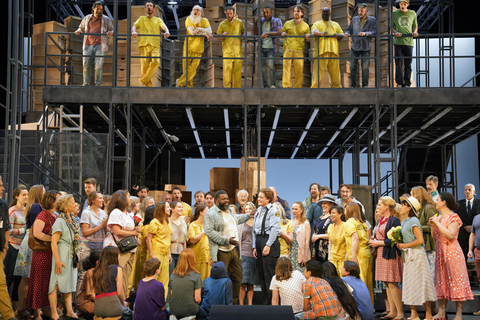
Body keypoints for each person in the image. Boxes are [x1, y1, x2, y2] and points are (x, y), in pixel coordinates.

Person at [430, 192, 473, 320]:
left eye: (437, 200)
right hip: (440, 251)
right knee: (441, 281)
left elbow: (451, 235)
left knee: (456, 281)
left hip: (451, 252)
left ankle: (458, 315)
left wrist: (437, 224)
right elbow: (435, 238)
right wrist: (434, 226)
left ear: (444, 202)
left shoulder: (454, 217)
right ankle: (441, 312)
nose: (435, 202)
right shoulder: (439, 218)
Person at [204, 190, 250, 305]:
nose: (227, 201)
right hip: (221, 250)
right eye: (223, 199)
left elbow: (236, 219)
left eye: (227, 198)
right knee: (220, 280)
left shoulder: (229, 210)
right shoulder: (211, 213)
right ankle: (219, 304)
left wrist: (249, 215)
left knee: (238, 277)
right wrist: (227, 240)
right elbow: (209, 232)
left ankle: (232, 304)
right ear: (216, 201)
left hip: (234, 249)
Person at [397, 196, 436, 320]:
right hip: (409, 255)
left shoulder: (414, 220)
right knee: (410, 283)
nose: (401, 207)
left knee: (422, 283)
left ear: (409, 208)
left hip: (417, 255)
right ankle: (414, 314)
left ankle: (429, 314)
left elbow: (419, 240)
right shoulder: (405, 221)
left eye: (403, 205)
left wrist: (404, 245)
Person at [369, 196, 403, 320]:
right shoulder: (380, 220)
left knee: (393, 283)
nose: (378, 207)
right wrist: (374, 240)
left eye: (379, 205)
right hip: (381, 255)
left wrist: (379, 243)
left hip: (390, 254)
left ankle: (400, 313)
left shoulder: (394, 220)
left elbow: (395, 239)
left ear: (386, 207)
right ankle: (392, 311)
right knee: (386, 283)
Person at [13, 184, 44, 320]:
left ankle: (24, 308)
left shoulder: (34, 206)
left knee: (28, 278)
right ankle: (21, 308)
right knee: (26, 278)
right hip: (32, 242)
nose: (45, 193)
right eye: (43, 191)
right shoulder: (36, 207)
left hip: (30, 241)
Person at [27, 191, 59, 320]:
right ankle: (37, 313)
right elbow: (37, 233)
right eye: (58, 199)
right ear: (51, 201)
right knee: (39, 281)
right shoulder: (42, 215)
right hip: (41, 253)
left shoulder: (55, 215)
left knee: (48, 282)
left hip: (50, 253)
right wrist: (53, 239)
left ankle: (47, 310)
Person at [47, 194, 80, 320]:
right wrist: (57, 260)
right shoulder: (60, 221)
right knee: (55, 283)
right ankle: (54, 313)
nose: (75, 204)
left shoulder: (71, 219)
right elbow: (54, 242)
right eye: (73, 203)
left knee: (69, 282)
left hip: (70, 253)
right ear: (66, 207)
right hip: (61, 253)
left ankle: (70, 311)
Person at [103, 190, 141, 297]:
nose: (131, 199)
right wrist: (133, 232)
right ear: (122, 199)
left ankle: (123, 300)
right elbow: (117, 231)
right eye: (128, 197)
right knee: (118, 274)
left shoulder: (128, 214)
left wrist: (136, 229)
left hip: (130, 248)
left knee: (126, 276)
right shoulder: (116, 212)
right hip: (120, 248)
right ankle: (115, 301)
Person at [252, 188, 281, 305]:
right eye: (258, 197)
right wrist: (254, 246)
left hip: (269, 241)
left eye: (261, 197)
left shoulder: (273, 211)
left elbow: (275, 229)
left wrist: (268, 245)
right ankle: (265, 303)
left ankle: (272, 303)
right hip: (259, 241)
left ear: (268, 199)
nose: (259, 199)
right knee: (262, 275)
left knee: (269, 275)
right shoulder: (258, 210)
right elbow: (254, 230)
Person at [74, 1, 113, 86]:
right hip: (88, 45)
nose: (99, 11)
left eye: (101, 9)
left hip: (100, 45)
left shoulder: (106, 19)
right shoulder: (87, 18)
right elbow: (81, 27)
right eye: (97, 9)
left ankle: (97, 84)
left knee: (98, 66)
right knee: (86, 65)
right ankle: (85, 84)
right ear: (93, 8)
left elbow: (112, 29)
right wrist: (78, 31)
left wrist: (110, 32)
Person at [132, 1, 170, 87]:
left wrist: (167, 31)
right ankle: (149, 87)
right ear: (145, 9)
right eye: (147, 6)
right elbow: (134, 25)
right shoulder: (141, 19)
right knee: (144, 69)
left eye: (150, 6)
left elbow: (164, 26)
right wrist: (133, 31)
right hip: (143, 44)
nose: (149, 7)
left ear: (153, 9)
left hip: (154, 45)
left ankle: (143, 81)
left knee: (156, 61)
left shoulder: (158, 20)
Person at [78, 191, 107, 296]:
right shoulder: (86, 212)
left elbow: (104, 231)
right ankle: (78, 302)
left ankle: (95, 299)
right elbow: (85, 232)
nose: (102, 200)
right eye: (100, 198)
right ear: (93, 200)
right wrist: (101, 225)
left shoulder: (103, 213)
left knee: (98, 273)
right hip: (87, 246)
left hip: (99, 247)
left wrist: (105, 226)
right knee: (83, 274)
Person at [176, 5, 212, 87]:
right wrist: (205, 32)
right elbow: (192, 32)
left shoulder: (204, 20)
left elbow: (210, 30)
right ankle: (189, 86)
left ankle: (180, 82)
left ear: (201, 13)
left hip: (198, 49)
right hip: (188, 47)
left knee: (193, 69)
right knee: (186, 69)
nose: (195, 11)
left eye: (198, 10)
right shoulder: (188, 19)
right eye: (194, 9)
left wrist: (199, 29)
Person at [93, 246, 133, 320]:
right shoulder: (117, 268)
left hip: (97, 309)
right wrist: (123, 303)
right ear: (114, 256)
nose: (119, 256)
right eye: (118, 254)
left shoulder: (96, 271)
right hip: (114, 308)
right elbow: (120, 293)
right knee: (131, 314)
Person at [344, 203, 373, 304]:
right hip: (366, 253)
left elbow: (355, 238)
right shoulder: (362, 223)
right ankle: (370, 306)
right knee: (368, 281)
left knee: (361, 282)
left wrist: (353, 256)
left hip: (358, 254)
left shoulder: (349, 222)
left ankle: (362, 307)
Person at [5, 185, 28, 313]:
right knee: (8, 278)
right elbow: (9, 230)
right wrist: (24, 230)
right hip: (12, 246)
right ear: (16, 196)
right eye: (24, 194)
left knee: (19, 280)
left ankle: (17, 309)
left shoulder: (27, 210)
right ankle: (5, 308)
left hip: (23, 248)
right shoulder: (12, 211)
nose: (26, 197)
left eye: (27, 194)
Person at [0, 175, 20, 320]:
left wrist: (5, 247)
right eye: (0, 185)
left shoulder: (4, 204)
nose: (3, 188)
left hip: (0, 250)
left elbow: (7, 227)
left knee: (1, 283)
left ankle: (8, 315)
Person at [344, 3, 377, 88]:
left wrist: (365, 33)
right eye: (359, 10)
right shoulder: (354, 19)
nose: (360, 12)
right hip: (355, 46)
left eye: (362, 11)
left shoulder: (372, 20)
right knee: (352, 66)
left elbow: (374, 32)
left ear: (366, 11)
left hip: (366, 47)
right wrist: (347, 33)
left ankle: (365, 86)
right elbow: (349, 29)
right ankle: (353, 86)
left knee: (365, 68)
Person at [168, 248, 207, 319]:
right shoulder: (196, 276)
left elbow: (172, 294)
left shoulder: (172, 275)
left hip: (173, 310)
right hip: (190, 310)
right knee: (203, 314)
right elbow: (197, 299)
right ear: (192, 260)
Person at [310, 7, 343, 88]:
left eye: (327, 12)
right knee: (317, 72)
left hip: (333, 51)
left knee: (335, 72)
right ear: (321, 13)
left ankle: (337, 89)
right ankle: (314, 89)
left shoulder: (336, 24)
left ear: (329, 13)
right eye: (324, 12)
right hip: (321, 52)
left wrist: (338, 35)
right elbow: (314, 31)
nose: (325, 14)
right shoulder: (317, 23)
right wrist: (321, 33)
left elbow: (342, 34)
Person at [146, 201, 171, 299]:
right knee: (155, 278)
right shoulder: (155, 222)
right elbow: (148, 239)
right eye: (168, 207)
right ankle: (152, 301)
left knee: (165, 280)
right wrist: (151, 255)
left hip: (165, 253)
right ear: (162, 209)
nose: (170, 209)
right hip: (156, 253)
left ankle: (162, 302)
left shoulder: (167, 222)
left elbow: (167, 239)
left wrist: (169, 253)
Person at [281, 6, 310, 88]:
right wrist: (283, 34)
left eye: (298, 11)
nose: (296, 12)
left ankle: (298, 87)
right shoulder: (287, 23)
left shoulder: (306, 26)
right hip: (288, 48)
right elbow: (283, 32)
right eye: (294, 11)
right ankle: (286, 86)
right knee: (286, 68)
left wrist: (308, 37)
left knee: (299, 70)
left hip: (299, 50)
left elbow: (308, 40)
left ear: (302, 13)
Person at [128, 204, 155, 292]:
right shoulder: (148, 227)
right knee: (142, 276)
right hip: (144, 255)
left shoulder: (146, 226)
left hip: (141, 255)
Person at [392, 0, 418, 88]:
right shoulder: (395, 13)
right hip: (398, 42)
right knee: (398, 63)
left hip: (408, 42)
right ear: (399, 4)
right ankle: (399, 83)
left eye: (404, 4)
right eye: (401, 4)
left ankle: (407, 83)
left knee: (408, 63)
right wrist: (395, 32)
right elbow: (392, 27)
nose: (402, 6)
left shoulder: (412, 13)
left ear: (407, 4)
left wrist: (415, 32)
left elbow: (415, 25)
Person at [254, 6, 282, 88]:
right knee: (263, 68)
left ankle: (273, 84)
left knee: (271, 65)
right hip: (262, 47)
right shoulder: (262, 21)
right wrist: (256, 22)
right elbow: (256, 34)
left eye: (267, 12)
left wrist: (267, 33)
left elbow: (279, 32)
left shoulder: (276, 20)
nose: (265, 14)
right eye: (264, 13)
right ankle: (266, 85)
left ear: (271, 13)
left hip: (271, 48)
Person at [217, 6, 245, 88]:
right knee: (227, 71)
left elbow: (243, 31)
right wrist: (222, 35)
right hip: (227, 51)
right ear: (225, 13)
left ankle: (236, 90)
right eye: (228, 13)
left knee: (237, 72)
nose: (229, 15)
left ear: (234, 14)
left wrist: (243, 36)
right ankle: (227, 89)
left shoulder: (239, 22)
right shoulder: (222, 24)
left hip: (238, 51)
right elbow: (218, 38)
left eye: (231, 13)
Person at [238, 202, 258, 305]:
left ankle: (250, 304)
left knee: (251, 281)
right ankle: (241, 304)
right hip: (243, 253)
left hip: (254, 254)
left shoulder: (257, 222)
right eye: (246, 209)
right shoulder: (241, 223)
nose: (248, 210)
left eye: (250, 208)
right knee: (242, 281)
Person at [187, 204, 211, 281]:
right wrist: (203, 232)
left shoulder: (209, 225)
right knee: (198, 280)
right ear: (201, 213)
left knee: (207, 281)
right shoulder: (193, 225)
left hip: (208, 257)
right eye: (206, 211)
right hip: (197, 257)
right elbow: (191, 240)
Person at [75, 250, 101, 320]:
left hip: (94, 300)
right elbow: (90, 294)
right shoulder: (90, 273)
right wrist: (103, 303)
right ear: (97, 262)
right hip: (85, 302)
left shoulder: (99, 271)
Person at [457, 183, 480, 261]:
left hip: (477, 235)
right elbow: (456, 218)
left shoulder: (479, 203)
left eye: (469, 190)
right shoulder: (458, 204)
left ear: (474, 191)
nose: (467, 191)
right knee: (462, 260)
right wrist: (465, 227)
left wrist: (472, 227)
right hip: (463, 235)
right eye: (465, 190)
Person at [312, 194, 335, 263]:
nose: (323, 205)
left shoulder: (332, 218)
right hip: (317, 249)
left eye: (325, 203)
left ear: (332, 204)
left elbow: (333, 235)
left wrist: (318, 236)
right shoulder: (320, 217)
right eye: (322, 203)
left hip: (326, 250)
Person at [289, 202, 310, 272]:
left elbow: (307, 241)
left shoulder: (306, 223)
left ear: (301, 210)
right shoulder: (291, 222)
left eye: (296, 209)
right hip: (292, 251)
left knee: (301, 272)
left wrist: (306, 256)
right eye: (293, 209)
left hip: (301, 252)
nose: (294, 211)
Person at [169, 200, 188, 275]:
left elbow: (184, 240)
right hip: (170, 253)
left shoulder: (183, 223)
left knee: (179, 275)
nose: (181, 209)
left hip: (180, 253)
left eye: (182, 207)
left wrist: (185, 254)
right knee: (170, 275)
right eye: (179, 207)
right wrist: (168, 253)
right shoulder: (168, 221)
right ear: (172, 209)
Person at [326, 205, 346, 276]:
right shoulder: (330, 227)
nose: (331, 215)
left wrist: (347, 259)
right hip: (333, 258)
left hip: (343, 259)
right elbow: (330, 243)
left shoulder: (345, 226)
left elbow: (348, 243)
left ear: (340, 214)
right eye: (330, 213)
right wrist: (329, 258)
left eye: (333, 213)